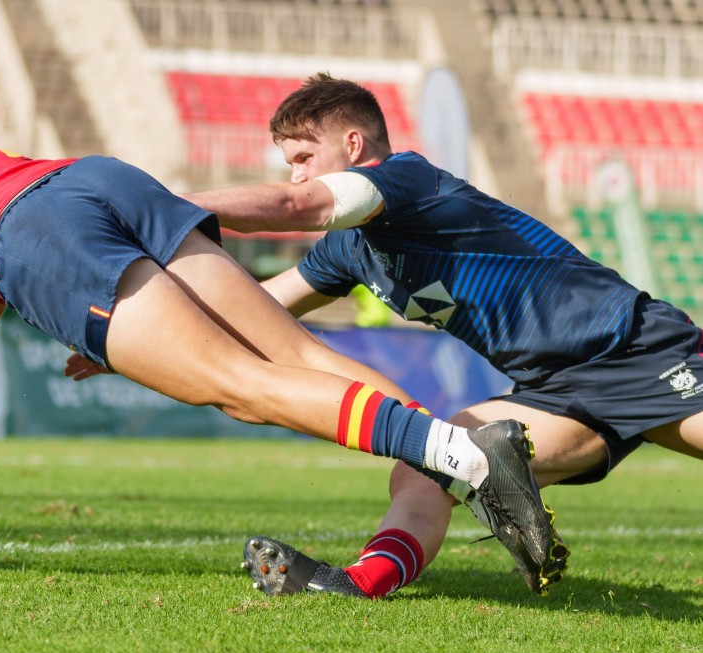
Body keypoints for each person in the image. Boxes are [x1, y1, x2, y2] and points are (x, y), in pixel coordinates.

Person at [0, 118, 559, 594]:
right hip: (101, 180)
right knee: (288, 347)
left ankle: (458, 458)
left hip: (39, 237)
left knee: (242, 389)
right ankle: (459, 453)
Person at [174, 72, 703, 598]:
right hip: (556, 392)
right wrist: (134, 337)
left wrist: (162, 208)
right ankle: (358, 584)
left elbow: (294, 207)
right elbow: (255, 306)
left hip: (632, 348)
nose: (295, 177)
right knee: (428, 468)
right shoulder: (349, 249)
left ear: (352, 144)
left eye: (303, 160)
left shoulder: (408, 180)